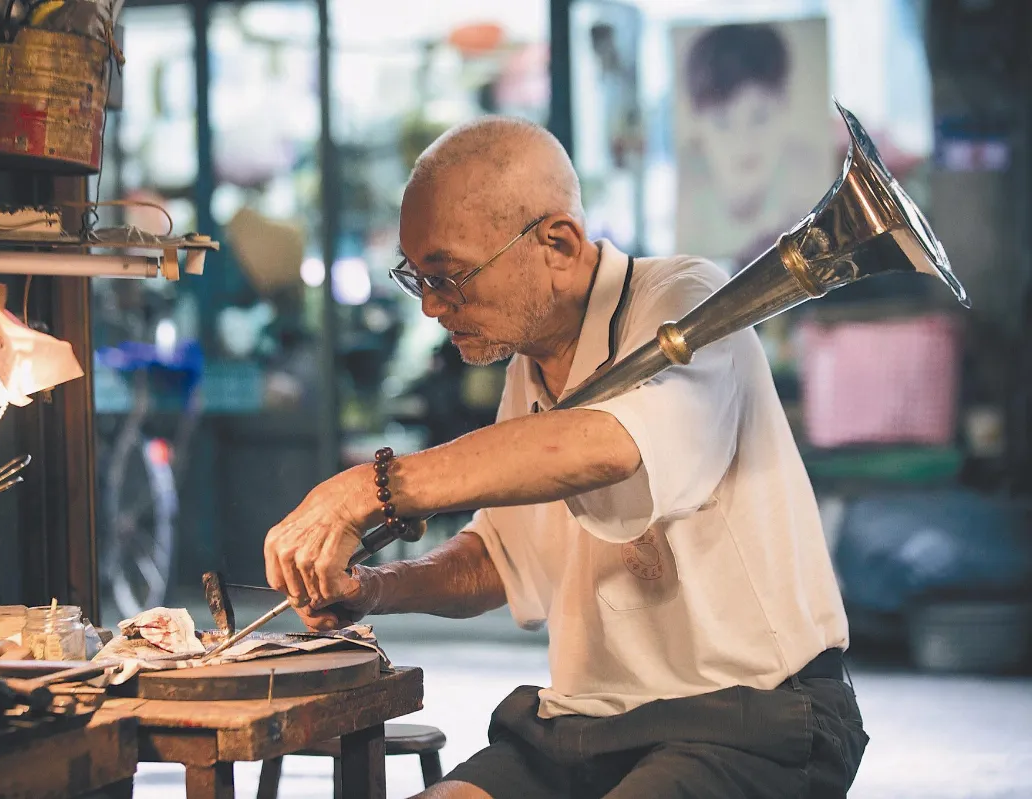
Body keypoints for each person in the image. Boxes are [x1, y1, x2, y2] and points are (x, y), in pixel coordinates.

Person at [262, 116, 868, 798]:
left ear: (558, 242)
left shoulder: (687, 303)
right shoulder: (531, 364)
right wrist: (372, 589)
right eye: (417, 277)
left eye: (450, 275)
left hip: (752, 717)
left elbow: (608, 445)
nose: (432, 305)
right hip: (588, 726)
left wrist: (373, 488)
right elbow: (499, 557)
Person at [676, 22, 830, 269]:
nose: (743, 140)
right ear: (697, 122)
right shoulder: (685, 197)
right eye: (722, 122)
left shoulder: (811, 180)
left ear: (785, 105)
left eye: (760, 117)